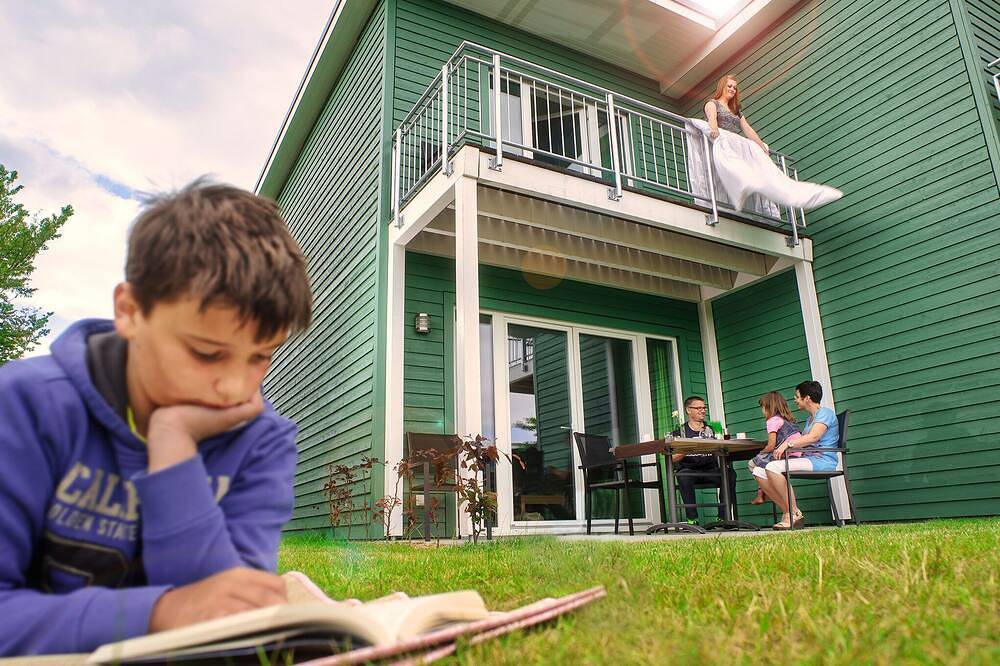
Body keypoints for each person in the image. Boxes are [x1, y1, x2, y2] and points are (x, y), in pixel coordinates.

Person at [0, 180, 314, 656]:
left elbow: (225, 617)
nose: (235, 388)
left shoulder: (262, 440)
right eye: (207, 354)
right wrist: (159, 612)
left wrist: (173, 447)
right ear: (129, 310)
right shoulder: (23, 406)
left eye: (261, 356)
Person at [755, 381, 840, 530]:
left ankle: (793, 513)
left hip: (823, 460)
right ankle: (789, 512)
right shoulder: (810, 419)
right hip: (809, 458)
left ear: (807, 398)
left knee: (772, 467)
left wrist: (788, 444)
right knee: (758, 471)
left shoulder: (825, 413)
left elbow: (813, 437)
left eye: (797, 396)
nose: (794, 400)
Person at [671, 396, 737, 525]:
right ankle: (692, 519)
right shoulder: (680, 432)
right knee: (683, 476)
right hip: (689, 470)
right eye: (698, 408)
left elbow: (723, 447)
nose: (702, 410)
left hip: (710, 469)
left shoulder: (712, 429)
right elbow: (672, 458)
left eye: (703, 407)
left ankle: (724, 518)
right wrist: (689, 448)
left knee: (730, 474)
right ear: (688, 410)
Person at [748, 391, 803, 505]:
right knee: (761, 464)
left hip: (786, 455)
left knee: (753, 463)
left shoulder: (772, 421)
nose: (762, 411)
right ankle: (763, 493)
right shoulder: (788, 419)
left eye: (762, 407)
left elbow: (771, 445)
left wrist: (761, 451)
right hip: (797, 454)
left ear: (768, 407)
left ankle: (765, 493)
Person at [704, 74, 769, 155]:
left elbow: (748, 129)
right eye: (729, 86)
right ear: (722, 87)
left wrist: (761, 146)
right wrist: (714, 128)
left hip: (733, 147)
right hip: (719, 145)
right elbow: (712, 117)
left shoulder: (736, 111)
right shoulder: (713, 103)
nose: (732, 89)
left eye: (734, 88)